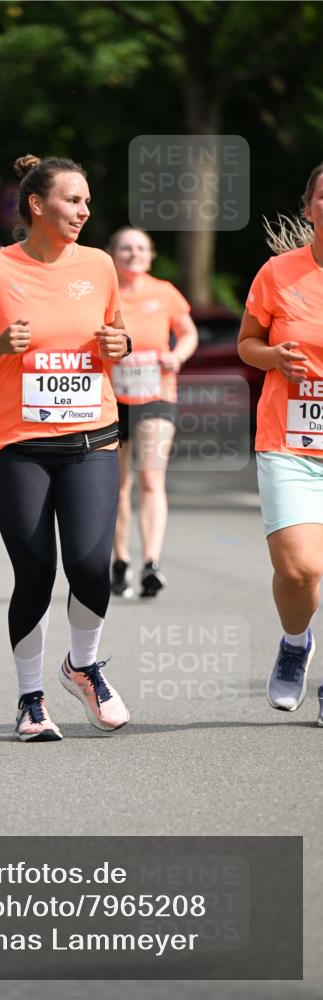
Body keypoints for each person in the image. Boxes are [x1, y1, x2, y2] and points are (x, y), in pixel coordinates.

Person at [0, 154, 132, 741]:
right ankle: (31, 701)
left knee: (90, 566)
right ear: (36, 204)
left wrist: (120, 344)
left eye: (87, 201)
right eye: (73, 200)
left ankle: (83, 667)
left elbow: (117, 335)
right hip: (17, 446)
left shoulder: (99, 265)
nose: (84, 211)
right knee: (35, 572)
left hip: (91, 438)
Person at [238, 162, 323, 723]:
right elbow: (247, 342)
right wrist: (272, 356)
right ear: (309, 207)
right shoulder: (279, 272)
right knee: (300, 570)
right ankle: (296, 643)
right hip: (289, 440)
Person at [105, 227, 198, 598]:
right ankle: (120, 560)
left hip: (156, 394)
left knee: (151, 479)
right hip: (111, 399)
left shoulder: (164, 292)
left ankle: (151, 563)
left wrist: (177, 355)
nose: (133, 254)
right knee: (117, 486)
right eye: (126, 248)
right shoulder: (103, 293)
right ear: (113, 254)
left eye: (141, 248)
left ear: (151, 255)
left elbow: (188, 333)